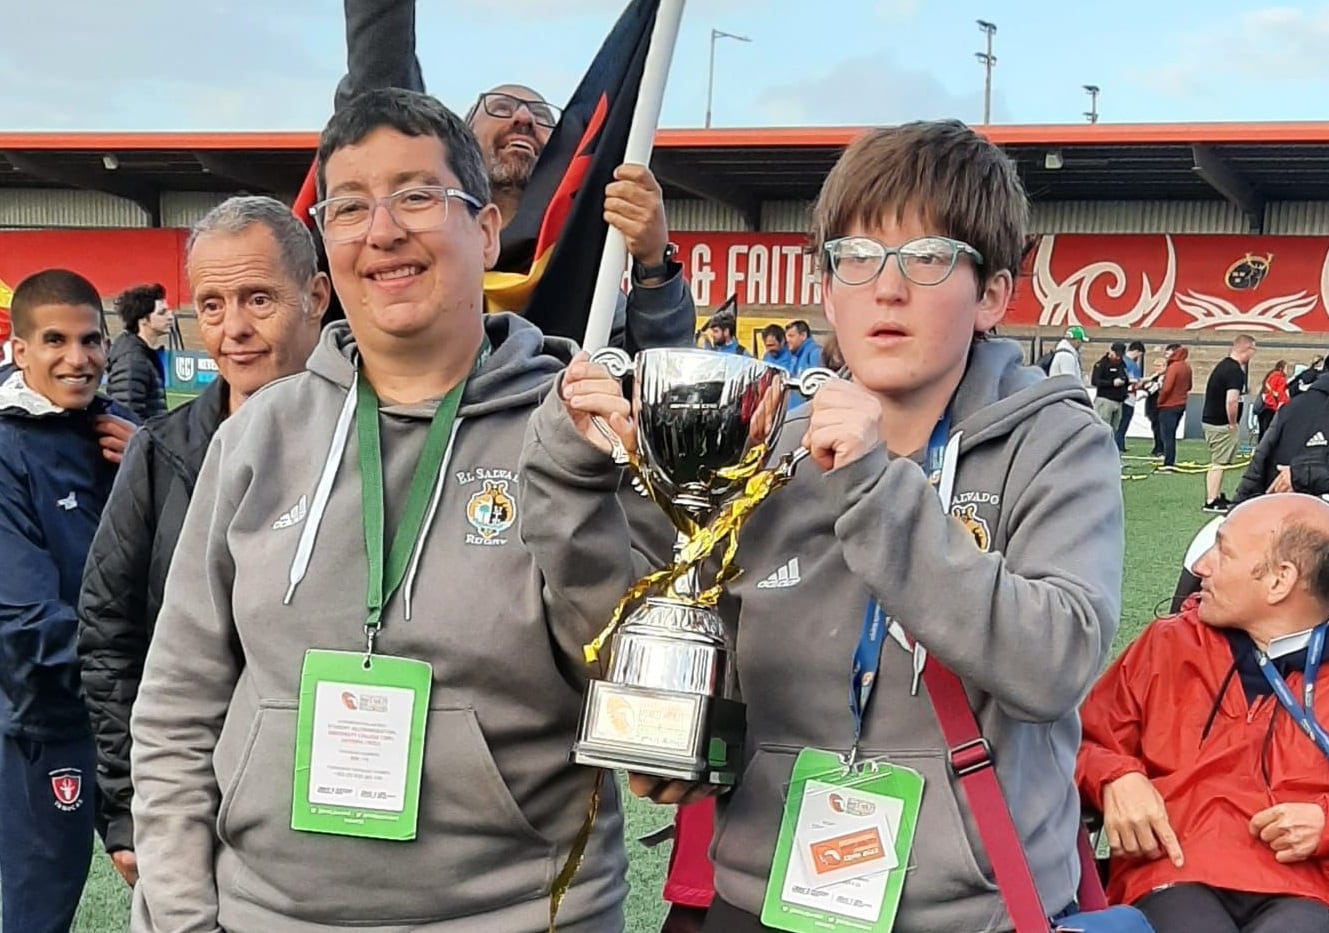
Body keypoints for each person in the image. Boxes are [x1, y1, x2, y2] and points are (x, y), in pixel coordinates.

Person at [518, 120, 1125, 931]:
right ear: (828, 285)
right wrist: (678, 729)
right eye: (857, 257)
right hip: (761, 893)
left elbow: (1055, 658)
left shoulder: (1054, 440)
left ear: (991, 295)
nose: (887, 287)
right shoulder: (770, 436)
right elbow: (663, 617)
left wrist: (877, 491)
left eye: (928, 257)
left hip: (964, 909)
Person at [128, 88, 637, 932]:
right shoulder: (259, 437)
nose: (383, 230)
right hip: (268, 913)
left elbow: (625, 686)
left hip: (513, 914)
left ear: (483, 229)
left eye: (415, 195)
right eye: (350, 206)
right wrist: (181, 914)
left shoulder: (581, 428)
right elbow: (179, 702)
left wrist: (577, 488)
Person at [77, 196, 329, 889]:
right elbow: (110, 630)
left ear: (316, 296)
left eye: (257, 299)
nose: (234, 329)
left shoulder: (378, 441)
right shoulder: (160, 453)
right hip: (196, 795)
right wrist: (128, 804)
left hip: (331, 804)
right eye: (212, 306)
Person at [1077, 494, 1329, 933]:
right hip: (1172, 874)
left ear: (1279, 581)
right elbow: (1074, 742)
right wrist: (1114, 776)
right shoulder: (1167, 646)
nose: (1201, 567)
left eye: (1223, 551)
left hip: (1306, 889)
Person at [0, 269, 136, 933]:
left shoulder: (127, 434)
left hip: (140, 718)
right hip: (49, 717)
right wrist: (132, 675)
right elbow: (24, 618)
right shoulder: (6, 448)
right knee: (40, 907)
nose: (76, 358)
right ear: (20, 350)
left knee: (177, 892)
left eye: (91, 340)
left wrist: (157, 469)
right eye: (54, 339)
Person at [1201, 335, 1257, 512]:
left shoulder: (1224, 366)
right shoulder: (1234, 371)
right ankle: (1211, 500)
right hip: (1220, 422)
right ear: (1246, 349)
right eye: (1253, 350)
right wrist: (1232, 423)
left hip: (1213, 419)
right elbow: (1231, 400)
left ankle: (1216, 495)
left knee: (1220, 462)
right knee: (1219, 462)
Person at [106, 283, 173, 421]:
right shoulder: (132, 360)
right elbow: (127, 416)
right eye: (162, 312)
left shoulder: (143, 354)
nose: (171, 316)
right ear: (143, 320)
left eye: (168, 311)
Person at [1158, 343, 1193, 470]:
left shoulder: (1173, 367)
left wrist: (1160, 400)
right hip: (1181, 404)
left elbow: (1167, 388)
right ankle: (1170, 460)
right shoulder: (1187, 367)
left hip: (1169, 404)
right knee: (1171, 433)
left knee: (1167, 435)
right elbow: (1189, 386)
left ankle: (1168, 462)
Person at [1091, 340, 1130, 441]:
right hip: (1105, 400)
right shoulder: (1101, 364)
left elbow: (1124, 377)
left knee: (1114, 430)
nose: (1118, 357)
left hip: (1118, 401)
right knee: (1103, 428)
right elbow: (1095, 381)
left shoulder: (1122, 364)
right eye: (1116, 354)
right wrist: (1112, 383)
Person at [1116, 340, 1145, 454]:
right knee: (1123, 423)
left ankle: (1120, 445)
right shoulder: (1131, 365)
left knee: (1120, 423)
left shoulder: (1121, 361)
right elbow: (1133, 382)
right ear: (1137, 352)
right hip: (1128, 398)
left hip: (1121, 396)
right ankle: (1119, 446)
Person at [1256, 359, 1290, 439]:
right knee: (1271, 432)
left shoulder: (1270, 376)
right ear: (1282, 368)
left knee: (1263, 432)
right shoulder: (1281, 378)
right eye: (1286, 368)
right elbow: (1280, 393)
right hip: (1272, 407)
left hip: (1263, 407)